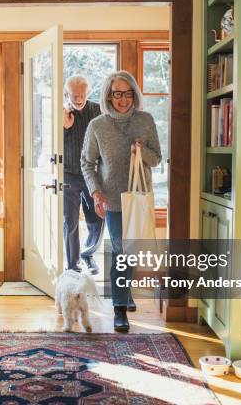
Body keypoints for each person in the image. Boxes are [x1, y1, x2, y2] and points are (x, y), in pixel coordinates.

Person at [81, 70, 162, 332]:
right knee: (119, 252)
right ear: (108, 95)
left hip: (138, 197)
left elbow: (157, 158)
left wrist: (142, 150)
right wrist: (95, 192)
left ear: (134, 95)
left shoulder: (146, 121)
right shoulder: (97, 126)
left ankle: (125, 294)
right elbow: (87, 163)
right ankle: (119, 309)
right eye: (118, 94)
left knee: (133, 249)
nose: (123, 99)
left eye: (128, 94)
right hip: (113, 199)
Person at [62, 75, 104, 275]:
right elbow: (51, 145)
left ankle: (88, 254)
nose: (78, 99)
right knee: (70, 221)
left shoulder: (98, 111)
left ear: (88, 93)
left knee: (97, 218)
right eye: (74, 95)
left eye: (82, 95)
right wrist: (64, 127)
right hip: (68, 173)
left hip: (93, 173)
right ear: (66, 94)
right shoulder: (61, 113)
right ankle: (72, 265)